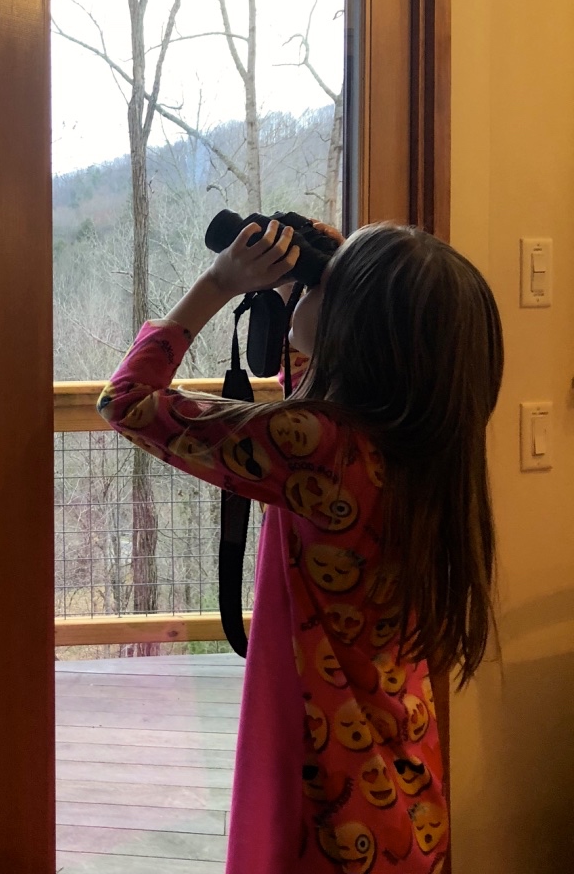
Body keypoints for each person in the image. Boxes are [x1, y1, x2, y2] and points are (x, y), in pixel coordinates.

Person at [96, 219, 503, 874]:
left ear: (355, 327)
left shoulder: (317, 445)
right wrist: (325, 283)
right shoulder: (425, 443)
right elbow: (319, 393)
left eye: (326, 288)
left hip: (328, 793)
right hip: (403, 786)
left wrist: (218, 284)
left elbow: (126, 402)